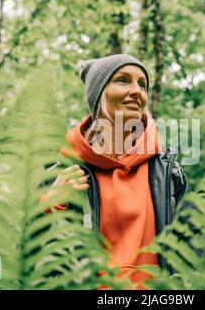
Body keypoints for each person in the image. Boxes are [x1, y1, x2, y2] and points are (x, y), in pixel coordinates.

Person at [41, 54, 191, 289]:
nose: (136, 91)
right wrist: (52, 204)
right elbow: (30, 264)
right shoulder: (61, 172)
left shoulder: (169, 174)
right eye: (123, 80)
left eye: (142, 84)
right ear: (99, 96)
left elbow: (194, 258)